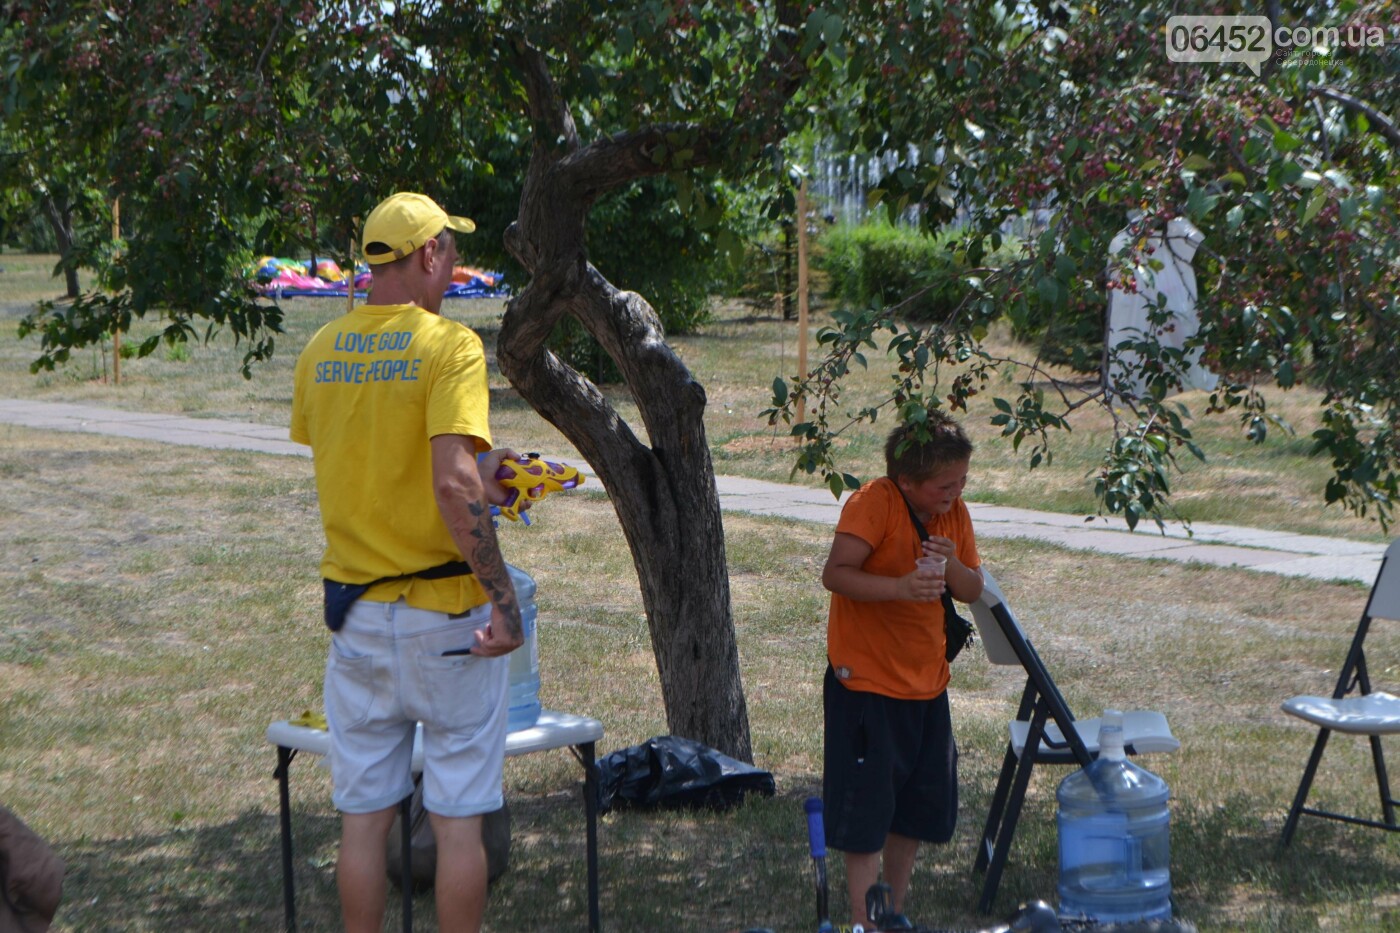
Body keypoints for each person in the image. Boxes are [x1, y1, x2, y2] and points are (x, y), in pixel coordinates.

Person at [290, 192, 525, 933]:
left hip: (356, 618)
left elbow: (366, 463)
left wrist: (483, 481)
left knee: (363, 821)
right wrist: (505, 599)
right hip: (446, 622)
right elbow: (452, 483)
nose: (454, 263)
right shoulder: (449, 346)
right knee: (457, 822)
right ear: (427, 254)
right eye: (450, 250)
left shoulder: (320, 349)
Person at [820, 412, 984, 931]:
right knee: (866, 814)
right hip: (867, 683)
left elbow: (973, 590)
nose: (955, 492)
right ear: (906, 481)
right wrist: (897, 588)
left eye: (961, 481)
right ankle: (863, 923)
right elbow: (836, 574)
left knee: (912, 809)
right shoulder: (874, 503)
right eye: (945, 484)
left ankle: (892, 914)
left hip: (927, 684)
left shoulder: (953, 513)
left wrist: (952, 563)